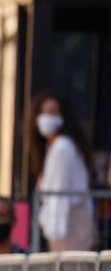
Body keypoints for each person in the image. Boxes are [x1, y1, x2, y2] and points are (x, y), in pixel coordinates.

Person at [27, 92, 97, 252]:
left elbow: (58, 191)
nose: (47, 118)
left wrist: (52, 229)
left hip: (68, 225)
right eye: (44, 112)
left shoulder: (62, 147)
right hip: (65, 225)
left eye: (53, 112)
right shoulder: (53, 148)